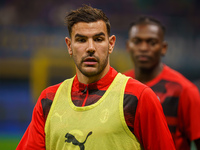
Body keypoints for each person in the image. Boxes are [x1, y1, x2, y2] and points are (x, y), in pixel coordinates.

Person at [16, 5, 175, 150]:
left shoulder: (139, 97)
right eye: (81, 40)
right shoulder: (48, 100)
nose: (90, 48)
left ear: (111, 44)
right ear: (69, 46)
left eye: (98, 39)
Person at [124, 16, 200, 150]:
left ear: (163, 48)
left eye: (151, 42)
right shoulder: (120, 86)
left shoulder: (185, 90)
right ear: (128, 46)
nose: (143, 48)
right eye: (137, 42)